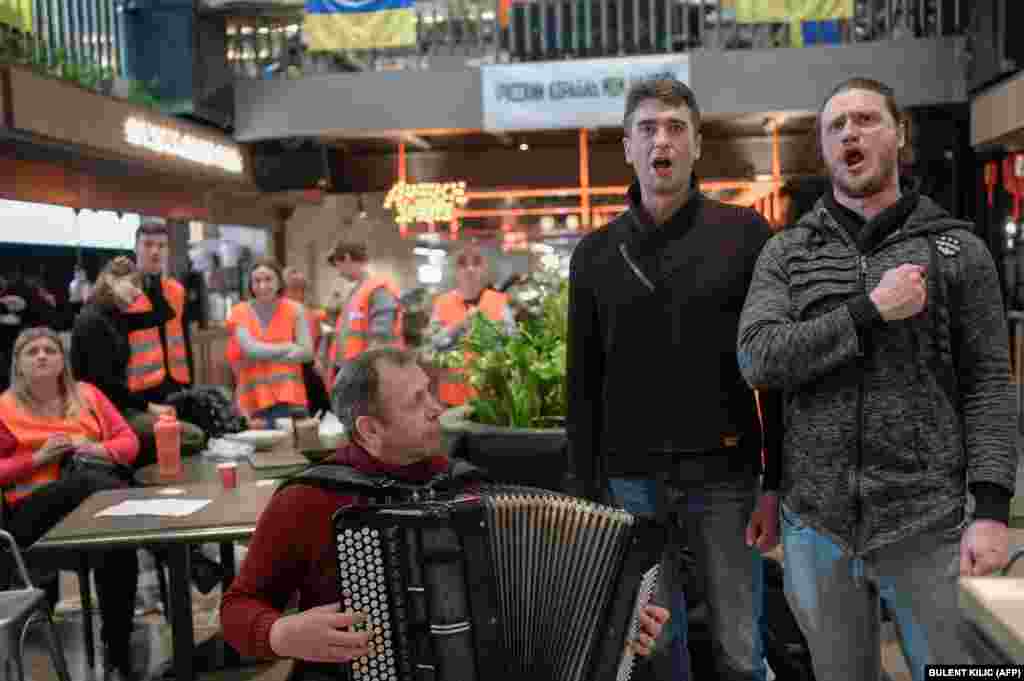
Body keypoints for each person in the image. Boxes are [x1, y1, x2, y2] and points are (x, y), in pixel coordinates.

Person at [737, 77, 1016, 680]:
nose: (850, 134)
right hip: (817, 527)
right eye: (836, 126)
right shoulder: (788, 253)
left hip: (930, 521)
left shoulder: (957, 251)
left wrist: (992, 506)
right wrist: (867, 312)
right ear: (823, 146)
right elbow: (759, 359)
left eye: (865, 119)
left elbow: (990, 383)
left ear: (899, 135)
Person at [221, 347, 669, 680]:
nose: (437, 408)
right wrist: (279, 634)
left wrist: (620, 619)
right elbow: (238, 608)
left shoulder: (466, 488)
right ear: (370, 429)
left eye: (430, 392)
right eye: (417, 401)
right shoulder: (307, 500)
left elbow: (535, 604)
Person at [567, 77, 782, 681]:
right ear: (628, 148)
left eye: (675, 127)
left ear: (697, 145)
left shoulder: (744, 235)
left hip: (726, 477)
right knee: (655, 650)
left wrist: (775, 482)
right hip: (631, 483)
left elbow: (774, 371)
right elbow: (581, 385)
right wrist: (586, 493)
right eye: (647, 128)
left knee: (741, 645)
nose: (662, 140)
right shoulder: (595, 255)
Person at [0, 327, 141, 680]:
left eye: (50, 349)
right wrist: (37, 459)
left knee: (117, 543)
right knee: (94, 486)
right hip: (32, 517)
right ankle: (169, 542)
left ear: (63, 360)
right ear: (18, 364)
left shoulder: (88, 395)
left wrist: (94, 448)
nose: (43, 355)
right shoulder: (4, 408)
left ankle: (118, 649)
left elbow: (129, 441)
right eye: (32, 352)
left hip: (95, 511)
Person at [71, 256, 205, 468]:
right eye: (133, 284)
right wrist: (150, 407)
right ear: (110, 280)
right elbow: (104, 384)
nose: (138, 293)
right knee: (192, 436)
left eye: (140, 286)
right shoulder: (93, 321)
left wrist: (153, 276)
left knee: (190, 413)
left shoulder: (115, 316)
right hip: (103, 413)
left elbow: (164, 314)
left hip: (119, 407)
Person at [226, 258, 312, 426]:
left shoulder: (295, 310)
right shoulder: (239, 312)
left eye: (268, 279)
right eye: (257, 281)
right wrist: (289, 347)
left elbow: (307, 353)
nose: (262, 286)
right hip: (252, 402)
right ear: (250, 285)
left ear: (279, 282)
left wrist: (263, 353)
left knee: (289, 449)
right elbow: (251, 350)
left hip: (290, 401)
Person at [429, 244, 517, 406]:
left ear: (484, 269)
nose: (470, 269)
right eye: (462, 264)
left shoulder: (498, 301)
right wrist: (460, 326)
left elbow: (512, 343)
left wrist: (486, 330)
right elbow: (433, 343)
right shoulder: (442, 303)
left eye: (476, 263)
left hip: (491, 401)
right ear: (455, 271)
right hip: (451, 400)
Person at [324, 241, 404, 389]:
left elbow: (381, 338)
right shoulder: (356, 292)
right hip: (353, 372)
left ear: (347, 258)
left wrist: (367, 374)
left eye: (338, 265)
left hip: (367, 375)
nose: (339, 273)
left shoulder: (377, 289)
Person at [282, 266, 332, 417]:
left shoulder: (311, 315)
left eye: (301, 289)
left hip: (307, 372)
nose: (299, 294)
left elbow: (317, 345)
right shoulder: (278, 314)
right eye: (294, 289)